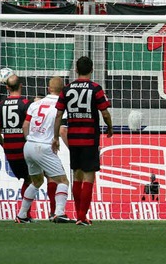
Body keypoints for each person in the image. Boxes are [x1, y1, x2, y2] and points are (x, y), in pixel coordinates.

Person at [53, 56, 113, 226]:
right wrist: (110, 127)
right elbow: (105, 112)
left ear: (76, 70)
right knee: (89, 176)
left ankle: (79, 215)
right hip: (89, 138)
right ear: (92, 69)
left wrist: (55, 136)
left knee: (77, 175)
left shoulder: (67, 89)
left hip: (73, 138)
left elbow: (58, 114)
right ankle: (81, 216)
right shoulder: (96, 88)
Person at [16, 76, 74, 224]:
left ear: (49, 89)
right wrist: (72, 149)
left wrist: (30, 140)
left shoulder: (35, 104)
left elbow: (24, 126)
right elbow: (62, 131)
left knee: (36, 181)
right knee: (63, 181)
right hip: (44, 146)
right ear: (63, 91)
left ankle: (22, 215)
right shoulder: (62, 106)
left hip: (29, 145)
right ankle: (59, 213)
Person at [0, 74, 33, 222]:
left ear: (7, 88)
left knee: (28, 179)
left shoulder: (0, 105)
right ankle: (25, 214)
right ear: (21, 86)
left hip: (10, 150)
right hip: (25, 148)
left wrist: (6, 146)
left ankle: (25, 215)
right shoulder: (26, 103)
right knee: (33, 179)